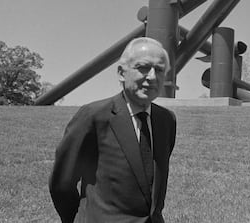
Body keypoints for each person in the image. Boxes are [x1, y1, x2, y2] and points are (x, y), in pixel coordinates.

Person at [49, 37, 177, 223]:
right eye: (142, 67)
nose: (151, 76)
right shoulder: (94, 116)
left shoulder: (166, 120)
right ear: (121, 73)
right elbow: (62, 183)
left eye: (159, 70)